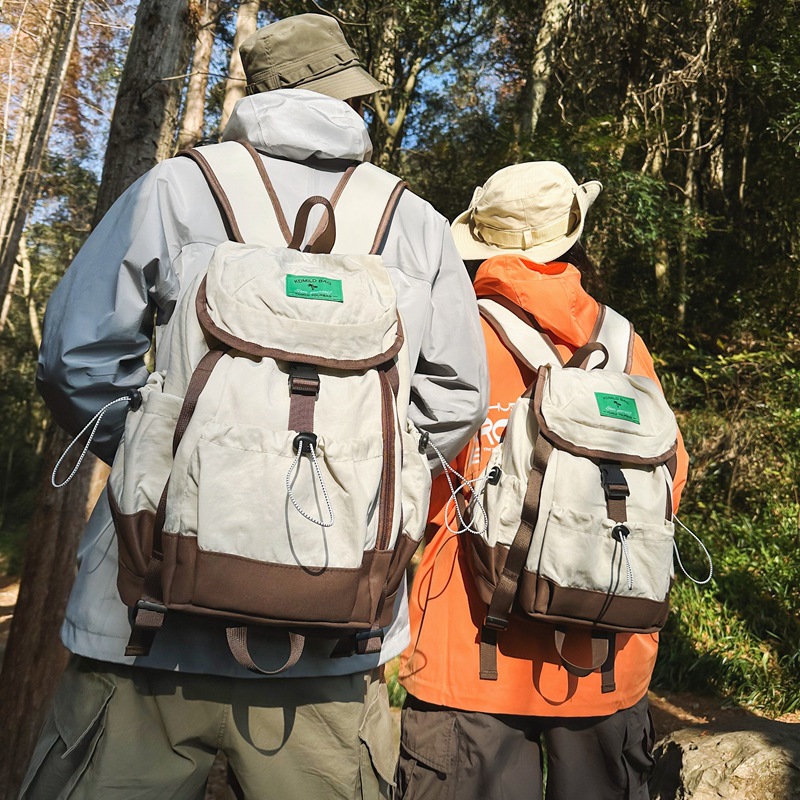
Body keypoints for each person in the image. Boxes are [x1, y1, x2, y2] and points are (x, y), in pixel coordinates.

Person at [23, 13, 488, 800]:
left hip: (146, 621)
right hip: (337, 630)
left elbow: (73, 361)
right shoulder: (414, 221)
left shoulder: (178, 187)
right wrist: (358, 476)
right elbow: (456, 401)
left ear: (260, 95)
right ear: (349, 100)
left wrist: (168, 459)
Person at [396, 161, 688, 800]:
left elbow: (413, 480)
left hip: (470, 648)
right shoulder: (623, 343)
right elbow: (672, 477)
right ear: (572, 238)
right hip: (606, 653)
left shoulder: (454, 334)